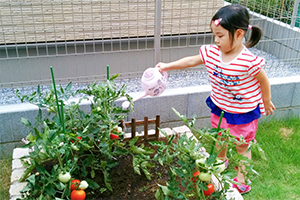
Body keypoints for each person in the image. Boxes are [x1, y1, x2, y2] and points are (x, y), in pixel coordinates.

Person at [155, 4, 275, 194]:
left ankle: (242, 179)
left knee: (242, 146)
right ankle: (220, 162)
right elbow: (191, 61)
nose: (216, 40)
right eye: (214, 35)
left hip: (243, 112)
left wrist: (266, 100)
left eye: (220, 36)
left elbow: (263, 80)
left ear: (239, 34)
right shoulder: (211, 53)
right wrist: (167, 66)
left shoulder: (248, 61)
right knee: (219, 137)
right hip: (220, 107)